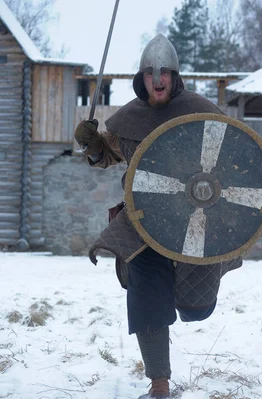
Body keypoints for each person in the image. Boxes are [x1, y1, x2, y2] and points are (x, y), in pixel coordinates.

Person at [74, 34, 242, 399]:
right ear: (142, 78)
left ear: (175, 75)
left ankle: (204, 289)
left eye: (165, 71)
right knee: (145, 292)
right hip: (144, 220)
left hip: (195, 220)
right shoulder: (129, 119)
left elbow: (231, 161)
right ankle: (160, 384)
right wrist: (91, 143)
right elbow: (106, 156)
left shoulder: (201, 111)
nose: (159, 78)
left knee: (196, 307)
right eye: (151, 73)